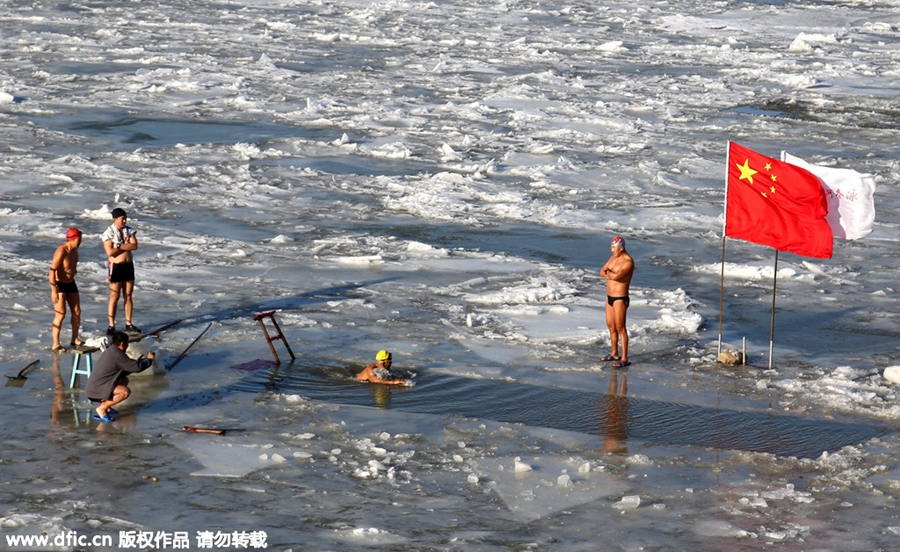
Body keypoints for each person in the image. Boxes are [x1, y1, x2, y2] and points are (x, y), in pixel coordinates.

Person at [84, 331, 155, 422]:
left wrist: (138, 362)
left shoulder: (112, 350)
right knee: (125, 392)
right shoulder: (117, 355)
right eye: (127, 344)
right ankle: (102, 409)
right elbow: (137, 368)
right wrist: (149, 360)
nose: (127, 346)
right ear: (122, 344)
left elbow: (125, 369)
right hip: (96, 390)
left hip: (95, 387)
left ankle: (107, 407)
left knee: (123, 380)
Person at [102, 207, 140, 336]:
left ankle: (128, 323)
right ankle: (111, 325)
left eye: (125, 218)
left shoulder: (129, 230)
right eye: (122, 219)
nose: (124, 221)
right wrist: (125, 245)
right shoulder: (108, 233)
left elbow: (134, 246)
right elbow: (110, 252)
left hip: (128, 265)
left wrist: (118, 245)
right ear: (115, 219)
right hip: (116, 267)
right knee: (115, 296)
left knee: (128, 295)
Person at [599, 236, 635, 368]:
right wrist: (610, 273)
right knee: (611, 327)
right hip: (609, 297)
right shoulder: (613, 258)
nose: (612, 251)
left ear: (621, 248)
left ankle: (624, 358)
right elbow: (601, 272)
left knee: (621, 328)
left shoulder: (628, 262)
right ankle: (614, 353)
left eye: (614, 248)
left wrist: (610, 273)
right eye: (611, 248)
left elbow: (617, 277)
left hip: (620, 298)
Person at [49, 227, 83, 353]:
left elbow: (71, 266)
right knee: (60, 314)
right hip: (59, 285)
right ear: (74, 239)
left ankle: (75, 338)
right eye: (80, 238)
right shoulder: (61, 251)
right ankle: (56, 344)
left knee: (77, 311)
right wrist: (54, 290)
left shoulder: (75, 251)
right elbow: (52, 271)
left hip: (71, 283)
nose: (81, 241)